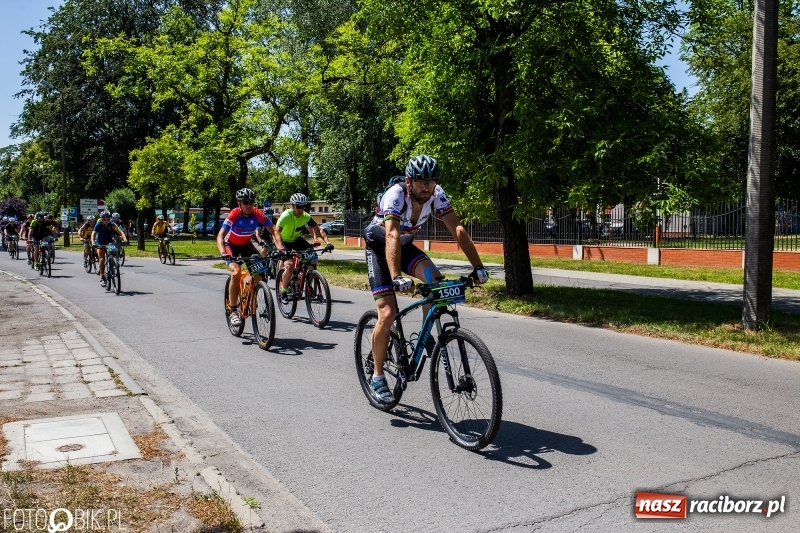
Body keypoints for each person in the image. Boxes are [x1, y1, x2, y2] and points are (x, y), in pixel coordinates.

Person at [362, 155, 489, 403]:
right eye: (421, 182)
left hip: (405, 245)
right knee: (387, 314)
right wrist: (396, 276)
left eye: (431, 182)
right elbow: (391, 235)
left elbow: (458, 229)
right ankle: (378, 376)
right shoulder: (395, 195)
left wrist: (478, 267)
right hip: (379, 247)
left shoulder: (437, 194)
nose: (427, 187)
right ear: (409, 182)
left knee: (436, 280)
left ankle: (425, 334)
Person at [217, 188, 287, 327]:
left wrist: (281, 248)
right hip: (230, 246)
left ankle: (252, 295)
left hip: (246, 245)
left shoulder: (257, 213)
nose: (249, 205)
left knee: (260, 273)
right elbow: (220, 236)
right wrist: (222, 252)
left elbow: (274, 230)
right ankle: (233, 310)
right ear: (239, 203)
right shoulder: (234, 214)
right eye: (245, 202)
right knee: (236, 272)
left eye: (251, 202)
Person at [276, 193, 334, 304]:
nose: (300, 209)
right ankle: (283, 291)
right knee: (289, 265)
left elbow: (319, 229)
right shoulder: (286, 215)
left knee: (313, 258)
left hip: (296, 239)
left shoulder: (306, 216)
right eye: (298, 206)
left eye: (303, 206)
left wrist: (328, 242)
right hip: (283, 241)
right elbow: (276, 232)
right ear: (293, 206)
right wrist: (280, 247)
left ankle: (308, 280)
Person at [91, 210, 128, 287]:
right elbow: (93, 234)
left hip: (109, 242)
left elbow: (120, 232)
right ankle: (102, 277)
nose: (106, 221)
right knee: (101, 259)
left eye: (108, 219)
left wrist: (125, 239)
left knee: (115, 251)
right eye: (104, 219)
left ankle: (114, 263)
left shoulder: (112, 224)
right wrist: (93, 243)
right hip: (100, 243)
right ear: (101, 219)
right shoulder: (98, 225)